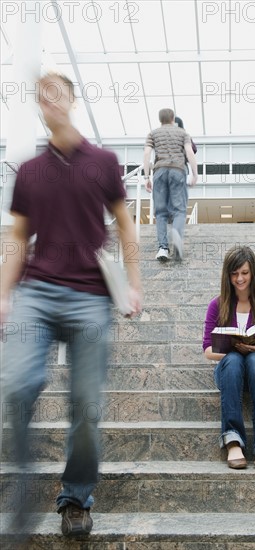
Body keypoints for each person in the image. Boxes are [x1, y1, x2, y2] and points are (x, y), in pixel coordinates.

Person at [0, 72, 143, 536]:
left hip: (89, 298)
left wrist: (134, 285)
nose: (50, 100)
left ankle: (76, 497)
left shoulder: (103, 162)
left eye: (57, 92)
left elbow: (125, 226)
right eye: (42, 95)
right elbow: (19, 238)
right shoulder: (29, 171)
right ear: (39, 106)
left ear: (73, 99)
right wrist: (4, 294)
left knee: (86, 409)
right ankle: (21, 488)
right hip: (37, 292)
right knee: (19, 384)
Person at [203, 246, 255, 469]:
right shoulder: (217, 305)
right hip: (231, 371)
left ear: (253, 273)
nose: (240, 279)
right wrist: (233, 349)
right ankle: (233, 440)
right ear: (227, 275)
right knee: (235, 359)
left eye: (245, 273)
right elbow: (208, 350)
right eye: (235, 273)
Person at [143, 108, 198, 262]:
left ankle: (163, 248)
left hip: (159, 171)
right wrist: (195, 174)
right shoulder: (183, 133)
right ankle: (177, 236)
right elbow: (189, 152)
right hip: (178, 170)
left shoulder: (153, 133)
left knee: (160, 212)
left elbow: (147, 153)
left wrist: (146, 177)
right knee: (179, 210)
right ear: (173, 118)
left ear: (160, 119)